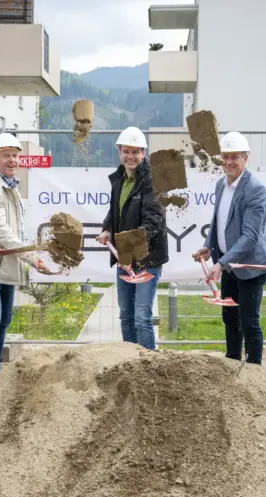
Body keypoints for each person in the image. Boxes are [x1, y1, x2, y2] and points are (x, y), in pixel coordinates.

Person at [0, 132, 53, 385]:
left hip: (7, 265)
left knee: (3, 321)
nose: (12, 160)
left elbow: (15, 230)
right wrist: (32, 258)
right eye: (6, 155)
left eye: (15, 155)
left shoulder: (12, 187)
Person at [192, 132, 266, 365]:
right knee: (229, 317)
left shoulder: (255, 190)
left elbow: (249, 237)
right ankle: (232, 361)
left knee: (249, 320)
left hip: (250, 267)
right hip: (228, 265)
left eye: (234, 157)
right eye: (225, 157)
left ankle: (254, 370)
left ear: (245, 158)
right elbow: (219, 222)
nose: (228, 162)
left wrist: (220, 263)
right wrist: (208, 246)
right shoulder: (221, 185)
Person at [95, 126, 168, 350]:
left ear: (143, 154)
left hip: (147, 258)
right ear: (119, 152)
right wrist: (107, 228)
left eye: (136, 152)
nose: (131, 156)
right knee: (125, 315)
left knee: (141, 317)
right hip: (124, 258)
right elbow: (115, 210)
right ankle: (130, 362)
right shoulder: (119, 179)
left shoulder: (154, 180)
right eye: (127, 151)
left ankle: (149, 364)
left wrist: (128, 252)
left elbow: (152, 222)